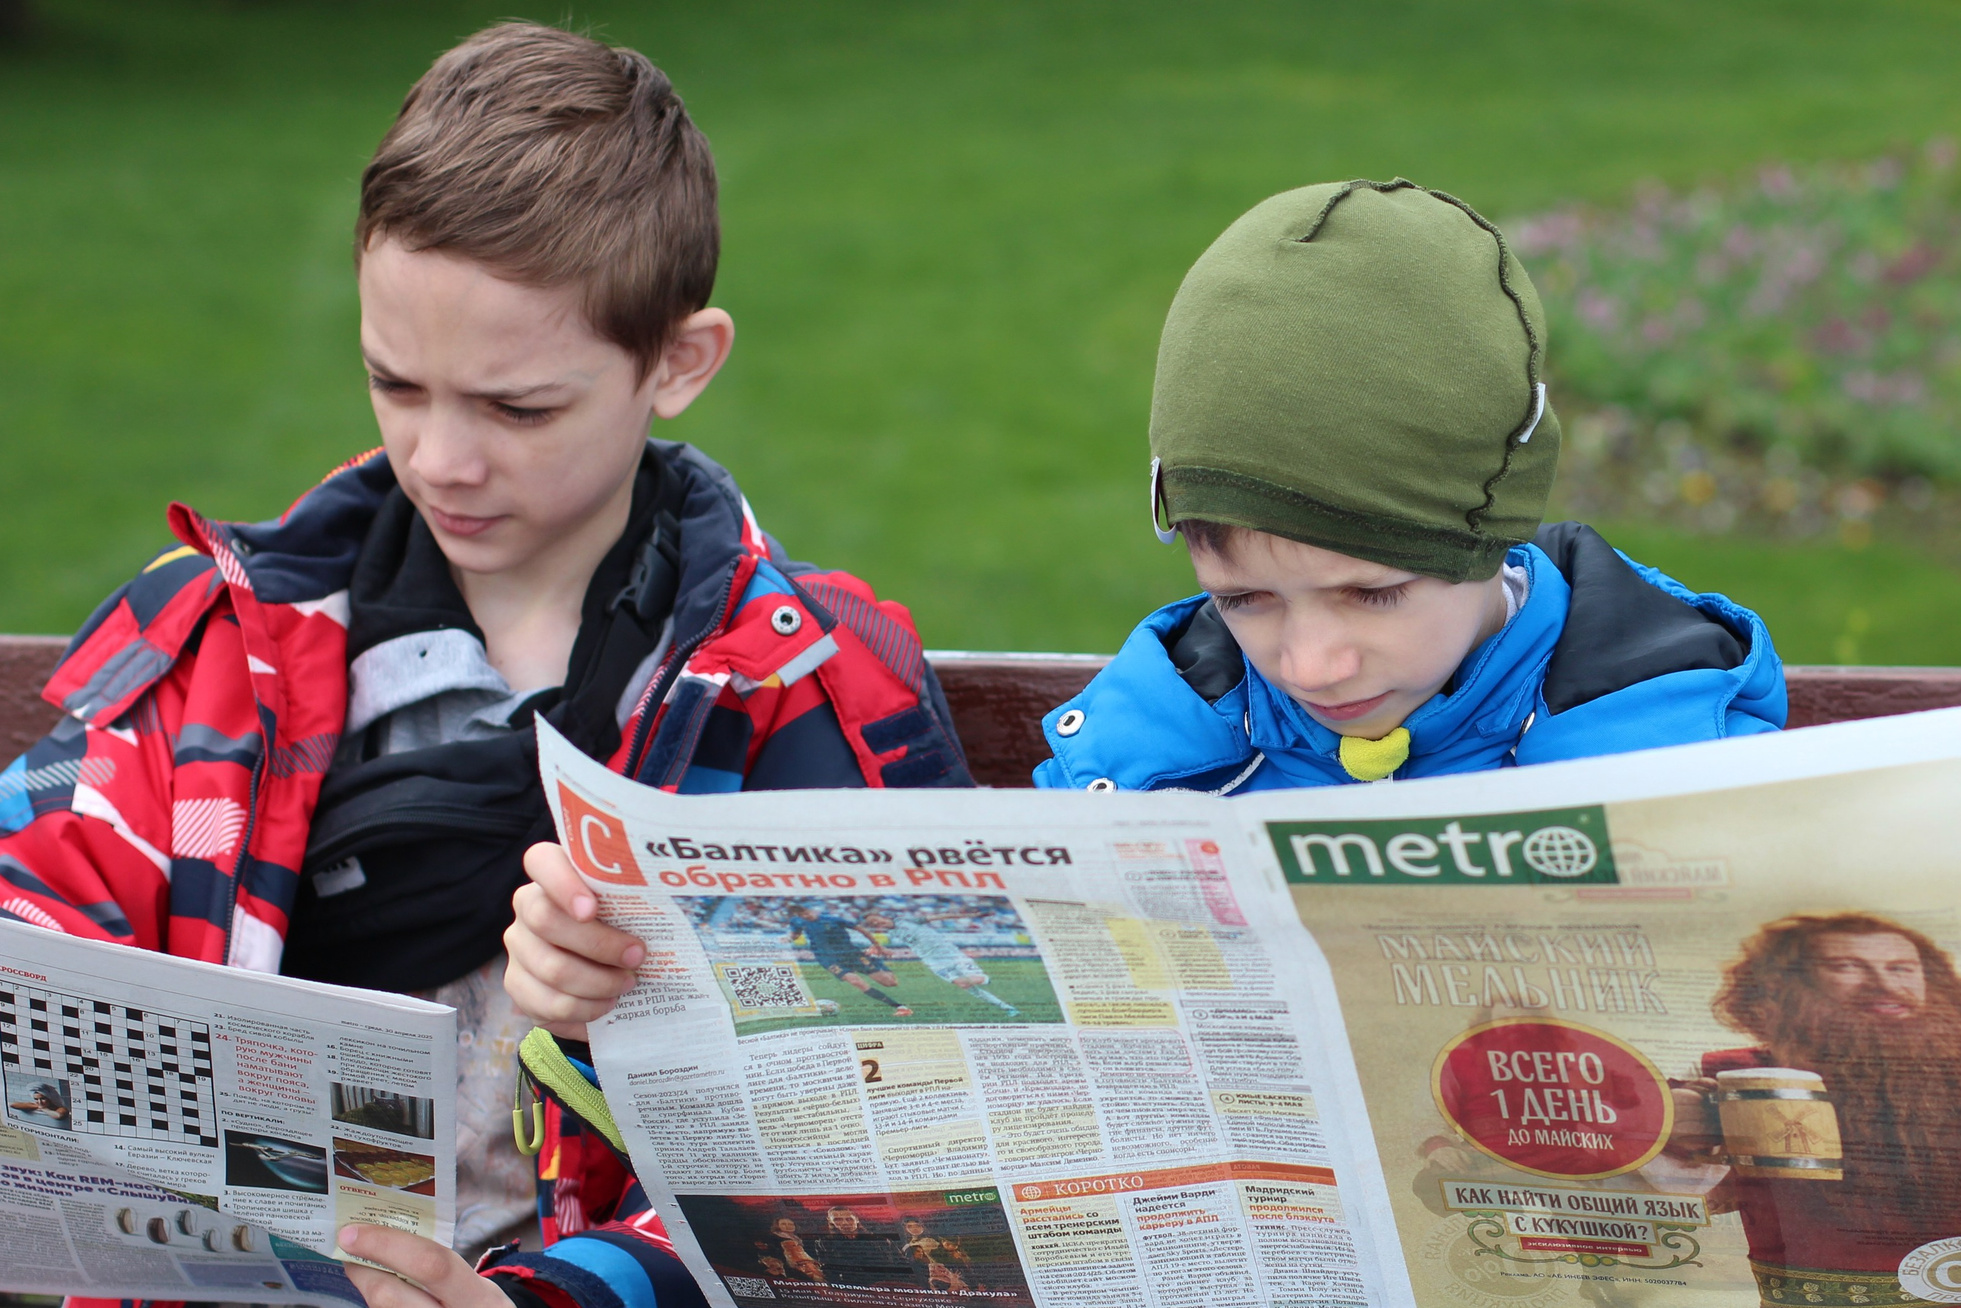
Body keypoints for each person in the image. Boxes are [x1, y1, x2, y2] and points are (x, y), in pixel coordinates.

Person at [0, 20, 969, 1308]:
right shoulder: (224, 643)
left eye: (518, 408)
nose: (442, 459)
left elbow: (891, 1150)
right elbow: (38, 914)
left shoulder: (800, 695)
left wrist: (558, 1285)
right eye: (394, 385)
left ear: (678, 361)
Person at [1032, 179, 1783, 793]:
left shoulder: (1680, 750)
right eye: (1241, 600)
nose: (1309, 666)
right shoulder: (1149, 753)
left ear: (1487, 536)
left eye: (1372, 594)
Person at [1661, 913, 1961, 1303]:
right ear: (1789, 983)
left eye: (1901, 968)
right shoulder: (1726, 1074)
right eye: (1848, 967)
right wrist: (1678, 1135)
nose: (1884, 985)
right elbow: (1681, 1203)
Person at [861, 909, 1019, 1016]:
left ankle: (986, 980)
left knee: (968, 984)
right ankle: (1006, 1007)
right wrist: (877, 950)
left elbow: (941, 917)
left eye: (875, 920)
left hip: (953, 955)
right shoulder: (892, 933)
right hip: (934, 962)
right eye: (872, 924)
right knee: (966, 986)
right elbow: (887, 949)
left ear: (882, 917)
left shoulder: (907, 920)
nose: (875, 924)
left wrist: (974, 914)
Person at [787, 904, 913, 1015]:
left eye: (807, 913)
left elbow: (862, 929)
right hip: (828, 958)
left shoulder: (833, 920)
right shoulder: (797, 922)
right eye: (802, 915)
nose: (806, 916)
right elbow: (796, 933)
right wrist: (788, 938)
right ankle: (899, 1007)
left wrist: (878, 947)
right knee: (856, 981)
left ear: (813, 911)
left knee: (890, 982)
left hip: (851, 953)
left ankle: (875, 959)